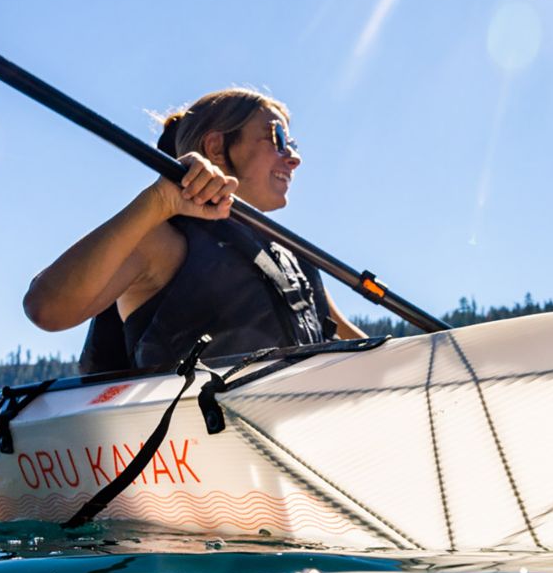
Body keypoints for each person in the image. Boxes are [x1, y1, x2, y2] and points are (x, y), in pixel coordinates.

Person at [22, 87, 365, 373]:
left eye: (293, 144)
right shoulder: (164, 241)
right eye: (276, 138)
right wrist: (156, 202)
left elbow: (361, 349)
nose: (293, 158)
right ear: (216, 146)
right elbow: (46, 308)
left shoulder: (294, 259)